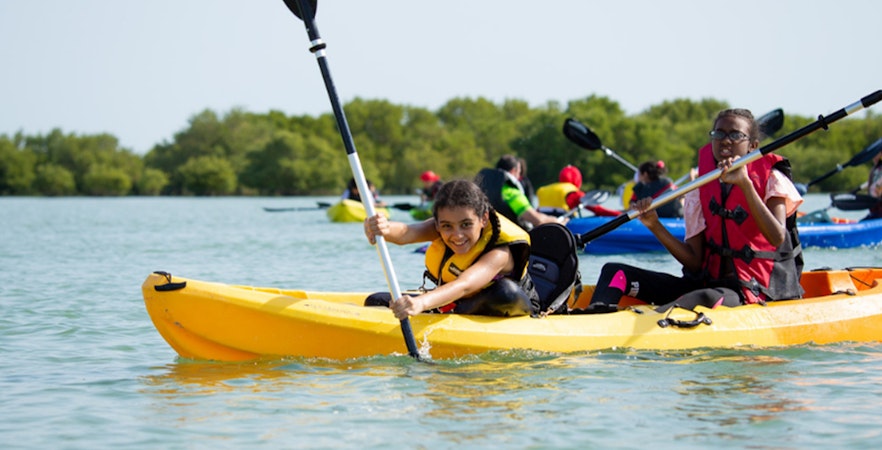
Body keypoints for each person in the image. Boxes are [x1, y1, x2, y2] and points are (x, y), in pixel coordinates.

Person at [578, 108, 804, 314]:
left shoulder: (772, 178)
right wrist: (655, 226)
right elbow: (695, 262)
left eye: (735, 135)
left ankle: (648, 322)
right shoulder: (700, 187)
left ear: (752, 146)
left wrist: (745, 184)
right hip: (705, 284)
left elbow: (776, 237)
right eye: (719, 134)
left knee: (701, 297)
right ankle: (594, 317)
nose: (725, 140)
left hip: (752, 291)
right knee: (615, 272)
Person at [363, 179, 538, 318]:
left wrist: (421, 303)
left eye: (466, 224)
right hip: (461, 303)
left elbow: (464, 285)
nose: (457, 235)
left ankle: (446, 310)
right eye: (447, 226)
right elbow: (407, 233)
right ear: (438, 223)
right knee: (376, 301)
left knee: (505, 293)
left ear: (483, 219)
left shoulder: (500, 253)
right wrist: (382, 228)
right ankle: (447, 309)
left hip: (502, 305)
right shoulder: (441, 225)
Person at [475, 155, 560, 230]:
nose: (519, 177)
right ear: (513, 171)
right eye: (519, 173)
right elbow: (538, 220)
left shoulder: (480, 188)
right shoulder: (510, 191)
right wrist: (555, 220)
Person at [537, 165, 620, 217]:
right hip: (564, 226)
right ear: (577, 179)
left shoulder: (543, 190)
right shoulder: (573, 193)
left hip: (544, 224)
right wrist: (619, 214)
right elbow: (598, 210)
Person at [862, 150, 882, 221]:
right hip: (876, 214)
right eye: (873, 155)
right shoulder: (874, 170)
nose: (874, 158)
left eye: (877, 154)